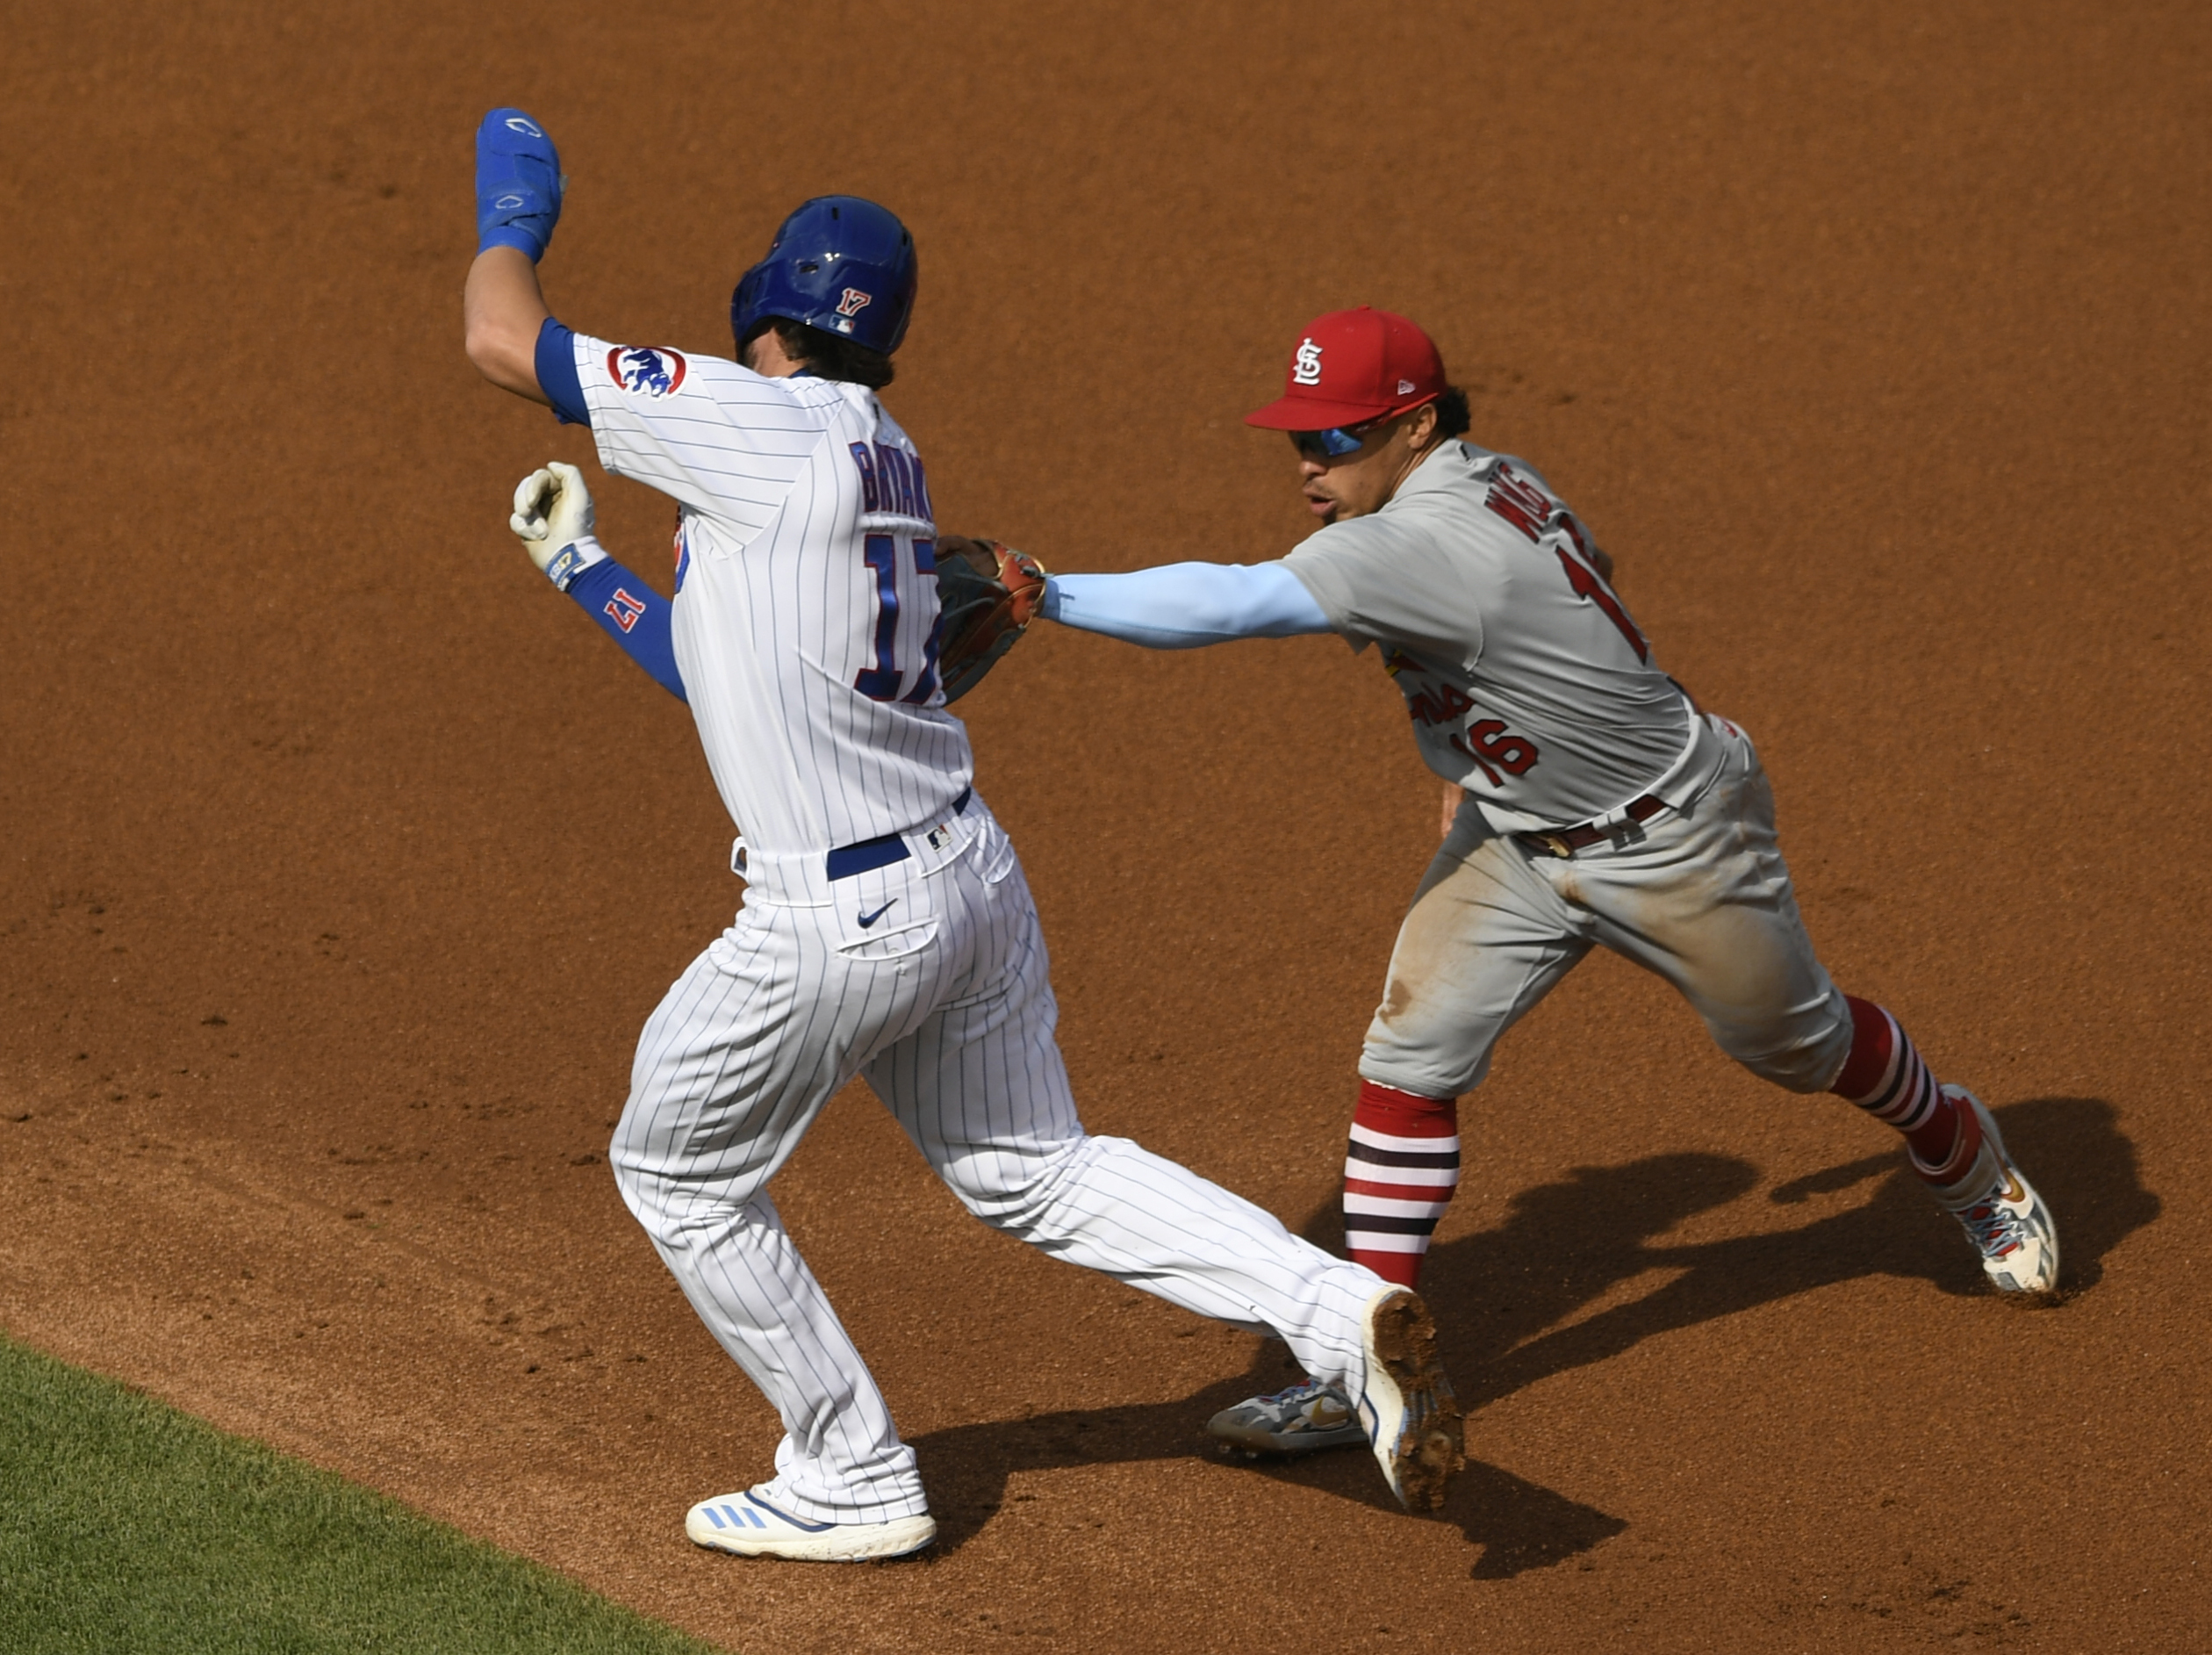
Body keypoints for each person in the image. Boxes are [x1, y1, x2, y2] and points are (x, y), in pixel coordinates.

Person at [456, 111, 1462, 1557]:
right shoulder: (888, 461)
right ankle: (1338, 1310)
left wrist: (517, 212)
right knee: (1031, 1167)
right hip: (968, 879)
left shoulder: (747, 417)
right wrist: (581, 565)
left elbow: (505, 341)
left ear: (764, 313)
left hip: (833, 920)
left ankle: (850, 1467)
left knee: (675, 1168)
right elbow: (704, 667)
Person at [1032, 306, 2061, 1460]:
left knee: (1800, 1046)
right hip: (1515, 833)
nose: (1309, 465)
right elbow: (1592, 574)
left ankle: (1956, 1145)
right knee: (1406, 1060)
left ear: (1414, 427)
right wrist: (1498, 741)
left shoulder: (1413, 546)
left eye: (1338, 438)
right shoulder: (1492, 476)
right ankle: (1360, 1365)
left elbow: (1232, 602)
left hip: (1674, 840)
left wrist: (1046, 593)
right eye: (1299, 439)